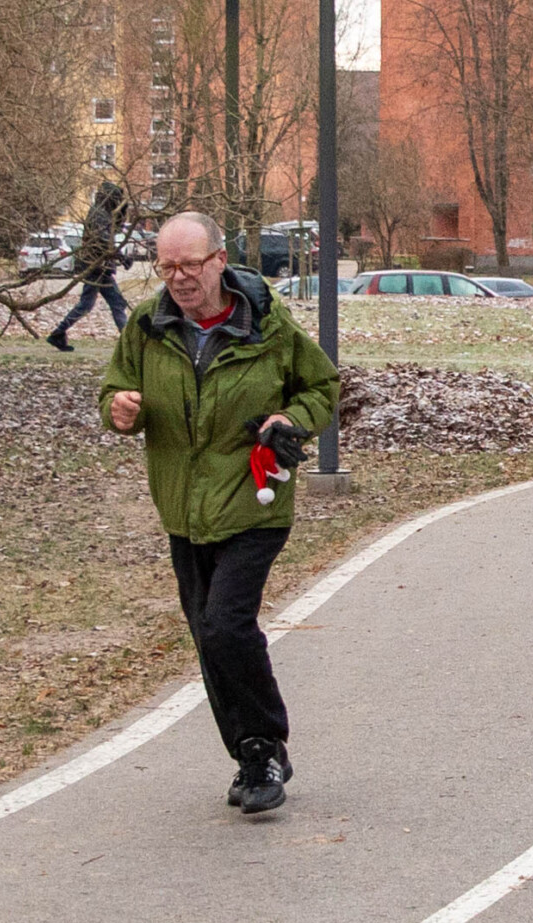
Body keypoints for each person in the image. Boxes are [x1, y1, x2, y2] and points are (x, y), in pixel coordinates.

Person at [98, 211, 339, 814]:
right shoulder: (148, 327)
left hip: (254, 500)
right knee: (208, 635)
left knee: (225, 624)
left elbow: (321, 388)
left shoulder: (268, 325)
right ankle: (251, 753)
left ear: (219, 261)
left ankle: (263, 748)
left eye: (190, 264)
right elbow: (114, 390)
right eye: (167, 267)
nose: (179, 278)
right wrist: (119, 408)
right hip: (184, 508)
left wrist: (289, 419)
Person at [48, 182, 133, 351]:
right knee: (101, 304)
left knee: (107, 303)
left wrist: (122, 212)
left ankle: (58, 333)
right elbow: (102, 239)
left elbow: (114, 231)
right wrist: (121, 256)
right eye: (117, 199)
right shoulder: (98, 214)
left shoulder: (103, 213)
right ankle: (129, 343)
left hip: (100, 267)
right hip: (96, 267)